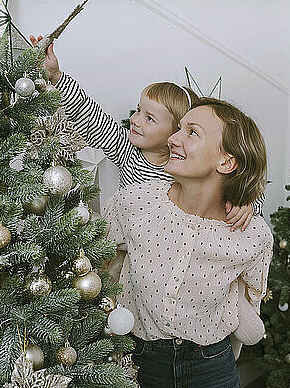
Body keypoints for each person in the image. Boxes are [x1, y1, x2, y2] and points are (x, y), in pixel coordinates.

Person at [103, 97, 273, 387]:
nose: (172, 139)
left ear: (227, 161)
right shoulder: (133, 203)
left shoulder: (254, 234)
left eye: (191, 132)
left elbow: (248, 306)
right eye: (178, 129)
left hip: (211, 368)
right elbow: (100, 273)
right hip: (138, 361)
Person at [29, 35, 264, 229]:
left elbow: (237, 181)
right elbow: (90, 116)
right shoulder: (128, 151)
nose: (135, 120)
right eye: (139, 110)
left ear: (174, 132)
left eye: (149, 118)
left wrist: (247, 204)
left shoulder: (185, 171)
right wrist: (57, 77)